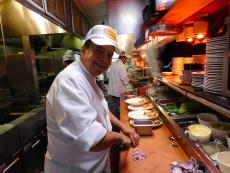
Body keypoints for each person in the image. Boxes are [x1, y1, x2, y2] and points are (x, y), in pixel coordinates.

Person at [44, 24, 139, 173]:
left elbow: (103, 110)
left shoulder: (88, 77)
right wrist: (120, 138)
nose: (104, 60)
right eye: (99, 51)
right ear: (83, 51)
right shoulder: (69, 81)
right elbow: (93, 139)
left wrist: (124, 128)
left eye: (109, 55)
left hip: (93, 166)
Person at [107, 51, 130, 118]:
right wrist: (129, 80)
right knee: (120, 107)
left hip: (112, 90)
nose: (126, 61)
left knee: (114, 108)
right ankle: (120, 121)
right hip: (118, 92)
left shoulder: (113, 64)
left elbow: (110, 76)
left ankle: (116, 122)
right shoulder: (121, 65)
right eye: (126, 59)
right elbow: (125, 79)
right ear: (123, 58)